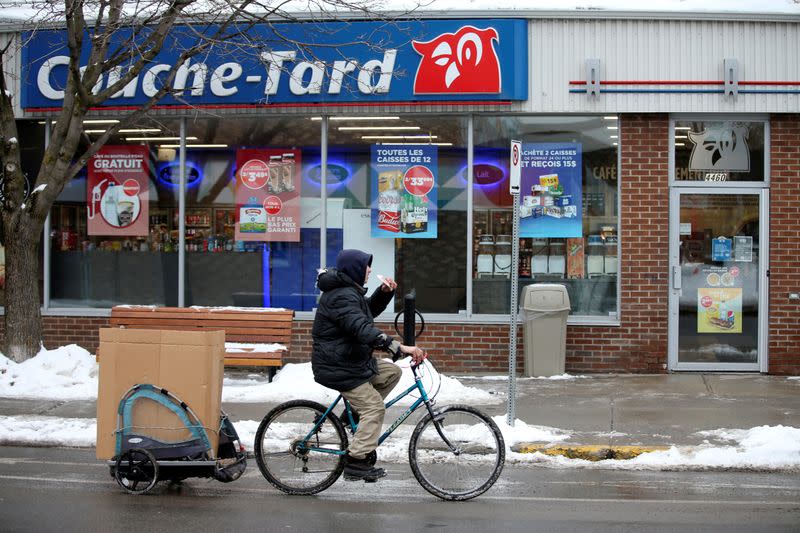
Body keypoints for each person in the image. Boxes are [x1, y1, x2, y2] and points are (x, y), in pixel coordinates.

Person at [311, 249, 426, 482]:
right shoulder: (341, 295)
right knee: (374, 408)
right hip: (339, 366)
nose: (370, 270)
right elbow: (361, 329)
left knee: (391, 372)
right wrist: (398, 347)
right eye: (366, 266)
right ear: (355, 269)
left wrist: (383, 294)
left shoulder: (347, 291)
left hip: (351, 361)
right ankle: (356, 462)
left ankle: (351, 415)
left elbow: (364, 314)